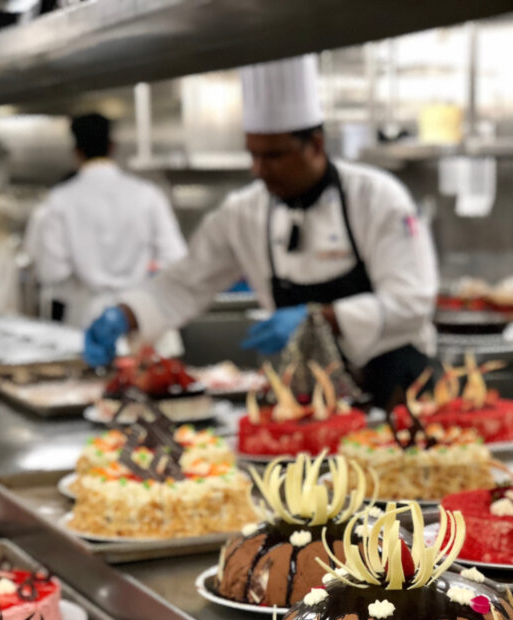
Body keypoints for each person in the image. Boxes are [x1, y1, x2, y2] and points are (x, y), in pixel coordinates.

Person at [83, 56, 438, 407]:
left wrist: (317, 318)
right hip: (306, 400)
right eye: (253, 155)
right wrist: (125, 314)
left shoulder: (376, 198)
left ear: (315, 145)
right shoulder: (243, 213)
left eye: (274, 156)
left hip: (397, 394)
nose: (258, 170)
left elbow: (412, 301)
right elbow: (185, 282)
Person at [26, 113, 188, 329]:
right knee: (142, 364)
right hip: (136, 316)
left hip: (86, 320)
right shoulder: (147, 194)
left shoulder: (59, 200)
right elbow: (176, 258)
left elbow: (51, 272)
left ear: (77, 152)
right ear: (113, 146)